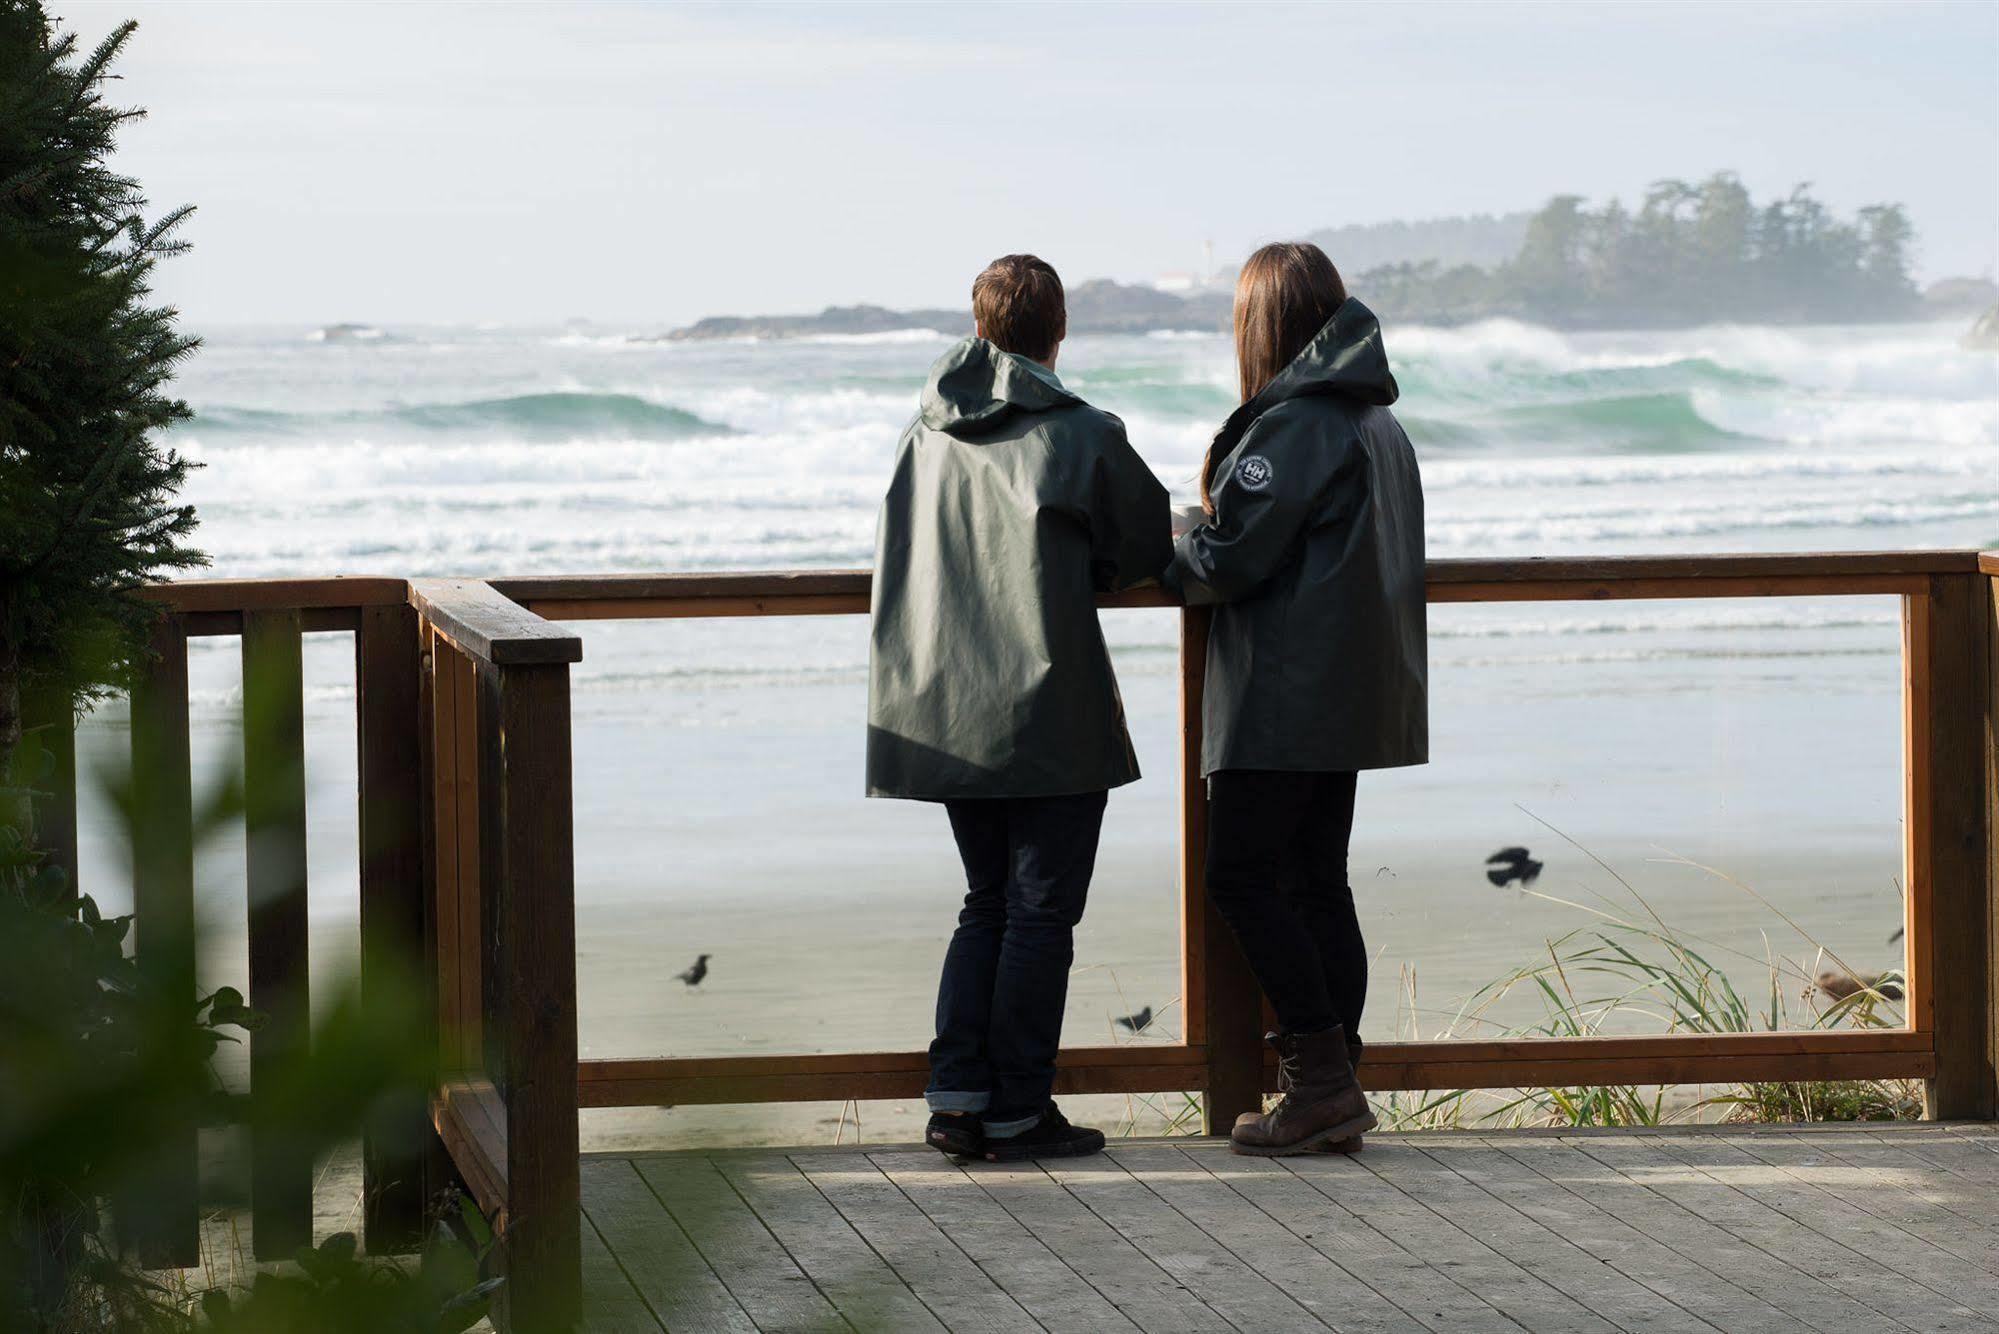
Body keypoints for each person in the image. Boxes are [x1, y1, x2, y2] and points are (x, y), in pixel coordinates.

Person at [867, 254, 1172, 1162]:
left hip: (944, 698)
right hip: (1050, 707)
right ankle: (1018, 1110)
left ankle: (956, 1099)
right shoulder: (1080, 432)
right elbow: (1144, 545)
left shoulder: (925, 430)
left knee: (985, 902)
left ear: (977, 327)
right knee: (1039, 913)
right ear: (1059, 331)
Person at [1164, 242, 1427, 1156]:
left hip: (1285, 691)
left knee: (1238, 875)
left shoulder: (1296, 424)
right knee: (1318, 883)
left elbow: (1226, 560)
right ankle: (1335, 1079)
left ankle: (1318, 1081)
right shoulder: (1373, 420)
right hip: (1352, 686)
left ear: (1262, 324)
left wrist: (1179, 532)